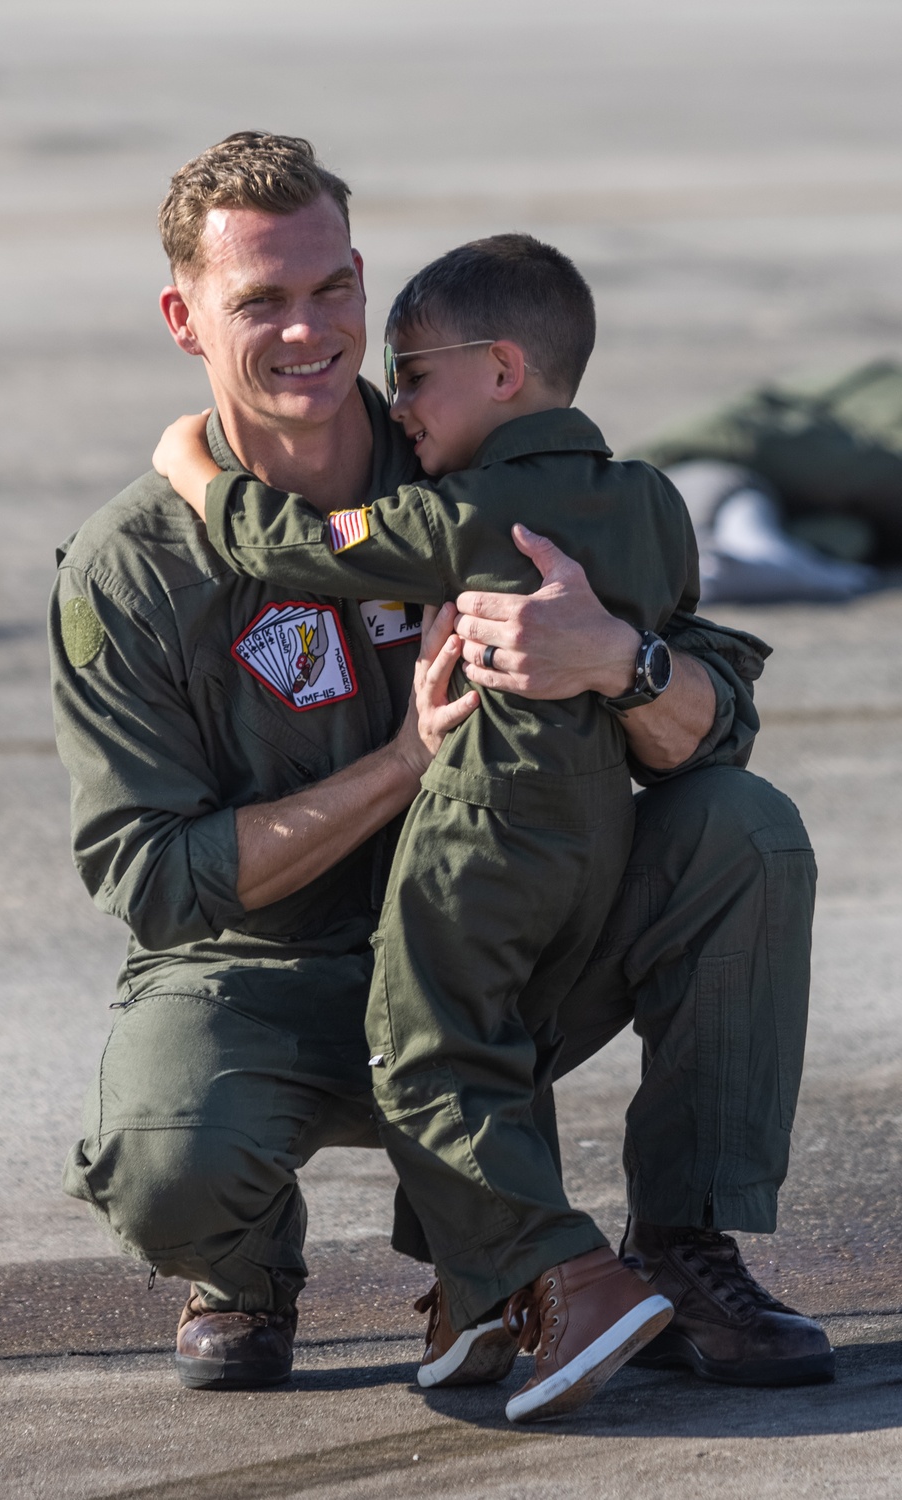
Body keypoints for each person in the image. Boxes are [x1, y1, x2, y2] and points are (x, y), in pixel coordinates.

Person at [49, 131, 832, 1405]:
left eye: (331, 290)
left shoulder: (472, 450)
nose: (309, 332)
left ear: (363, 280)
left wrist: (613, 659)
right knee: (166, 1156)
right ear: (183, 318)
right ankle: (244, 1268)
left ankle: (681, 1245)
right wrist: (406, 765)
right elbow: (155, 880)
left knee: (743, 830)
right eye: (260, 302)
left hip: (511, 935)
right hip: (272, 975)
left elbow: (714, 723)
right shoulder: (133, 568)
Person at [152, 231, 697, 1421]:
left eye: (413, 373)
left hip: (482, 829)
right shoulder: (654, 502)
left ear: (502, 371)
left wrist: (191, 465)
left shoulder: (465, 511)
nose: (396, 406)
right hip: (598, 837)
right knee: (485, 1035)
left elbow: (285, 546)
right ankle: (478, 1294)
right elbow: (698, 661)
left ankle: (567, 1278)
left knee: (426, 1049)